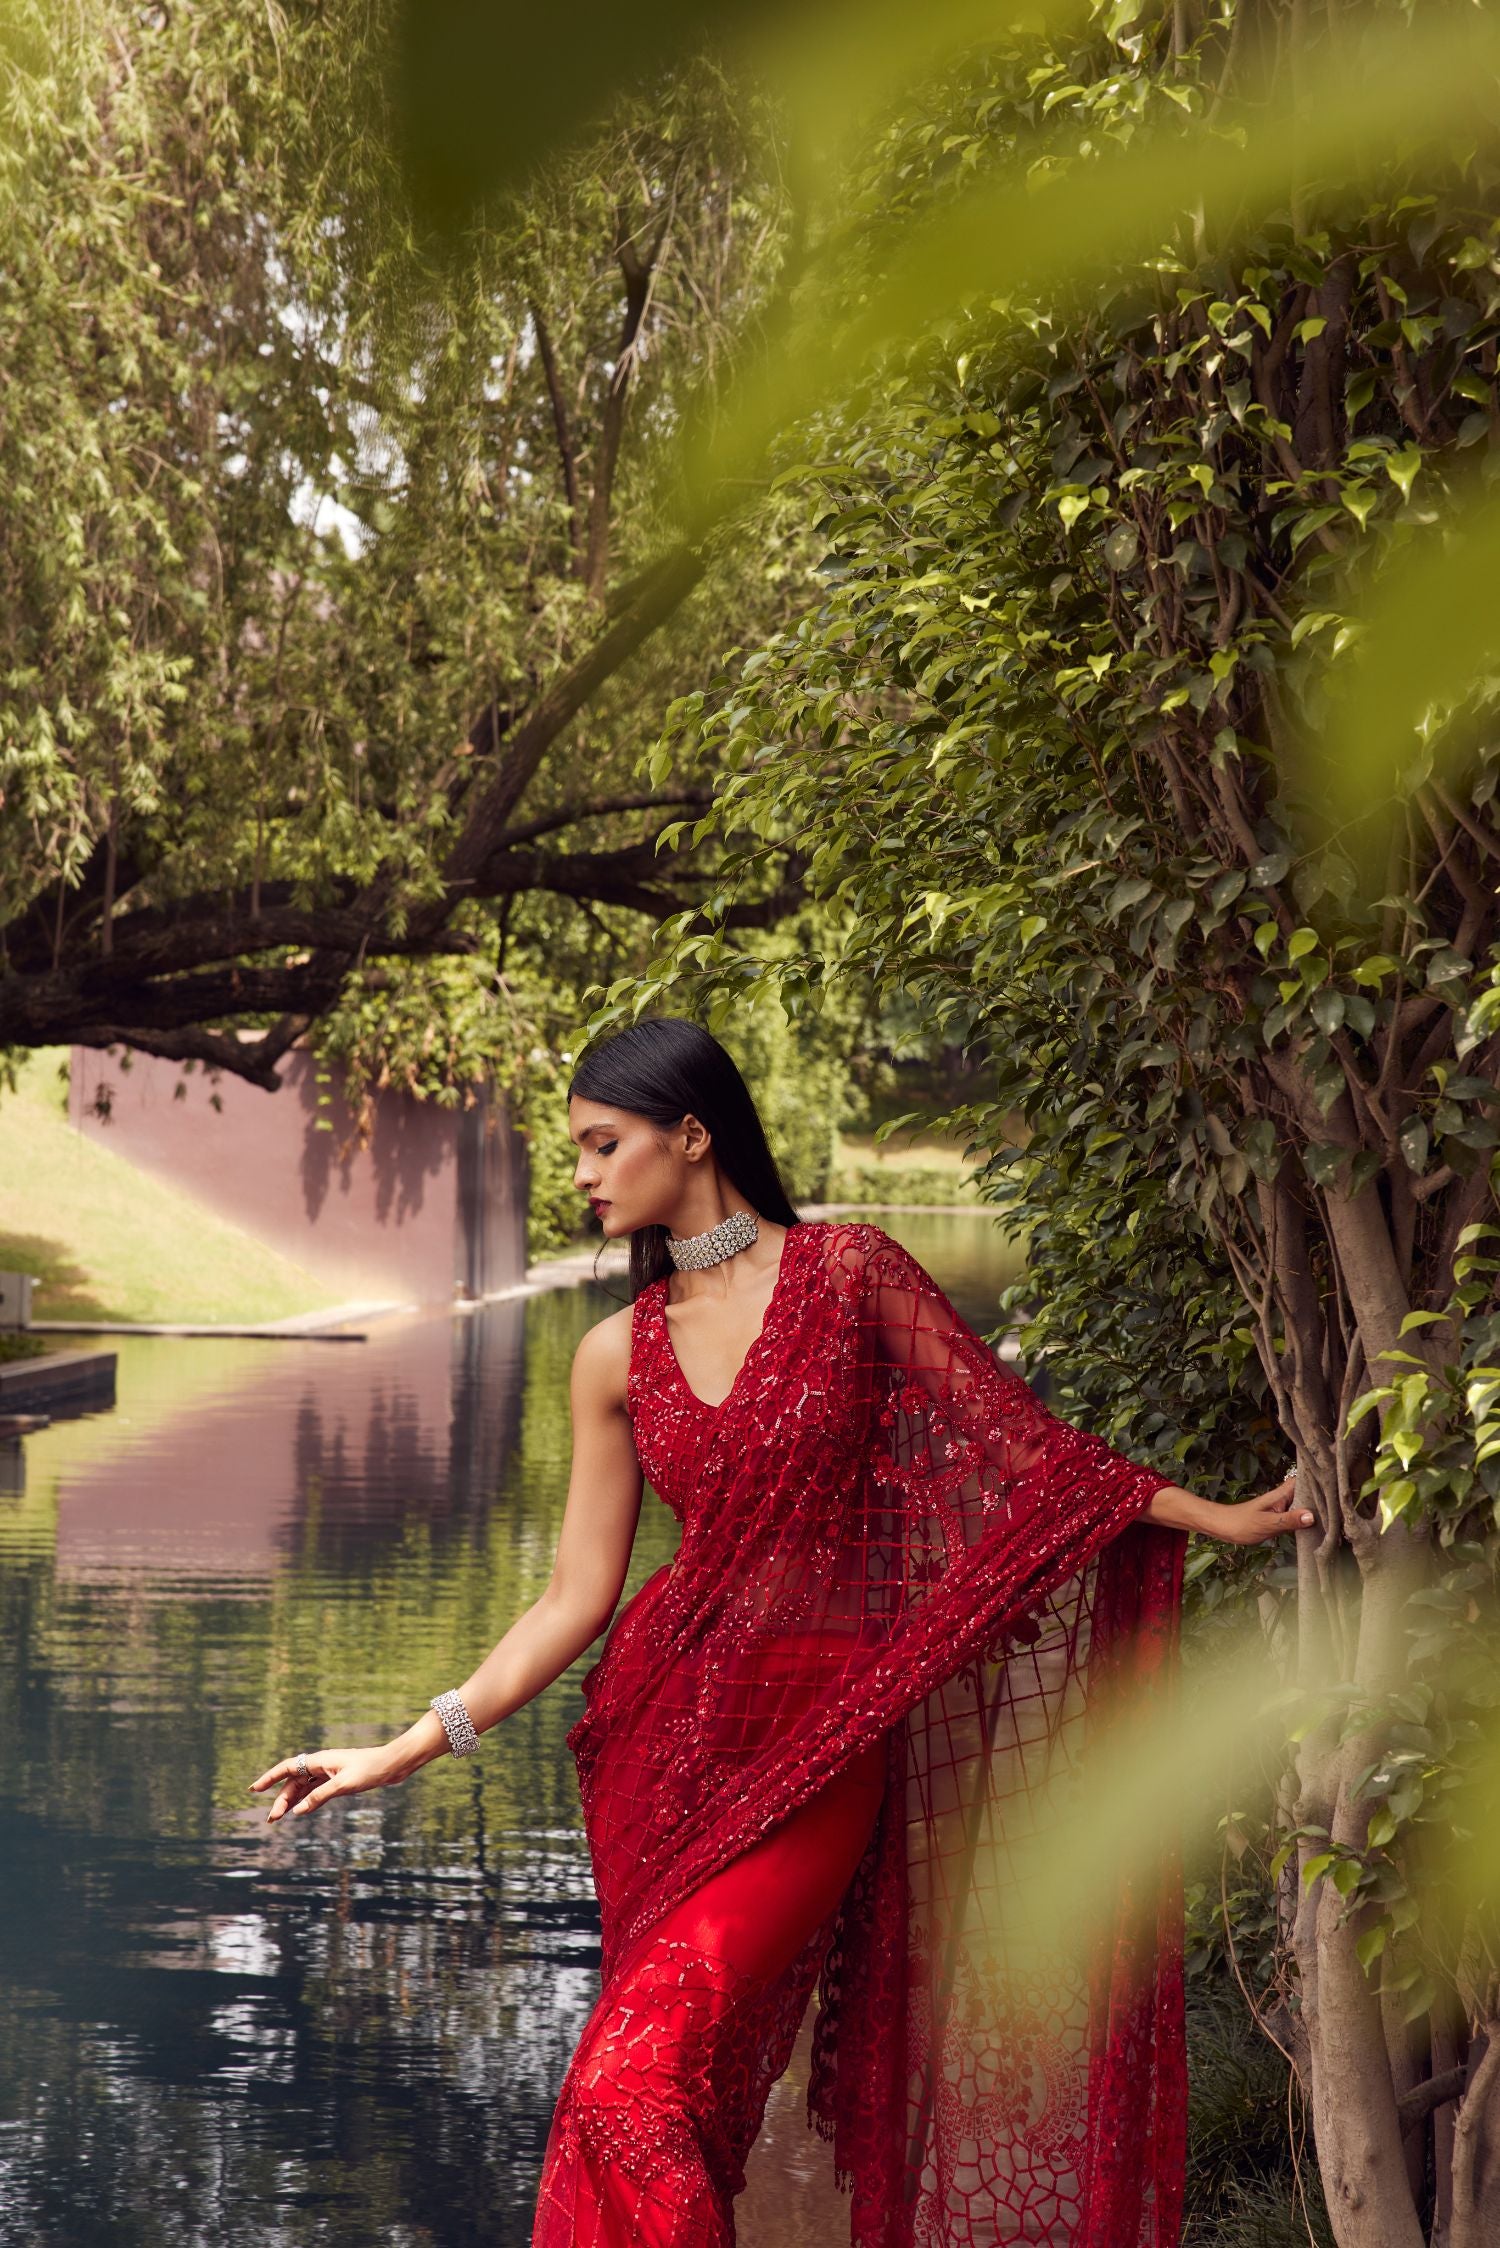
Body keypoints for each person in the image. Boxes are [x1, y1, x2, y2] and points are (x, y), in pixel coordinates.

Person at [251, 1016, 1313, 2247]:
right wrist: (397, 1749)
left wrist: (1212, 1517)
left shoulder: (851, 1273)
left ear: (691, 1132)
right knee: (648, 2096)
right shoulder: (614, 1353)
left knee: (624, 2086)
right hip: (661, 1755)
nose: (583, 1174)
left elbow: (1020, 1455)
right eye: (578, 1151)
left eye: (604, 1144)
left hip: (815, 1759)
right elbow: (571, 1600)